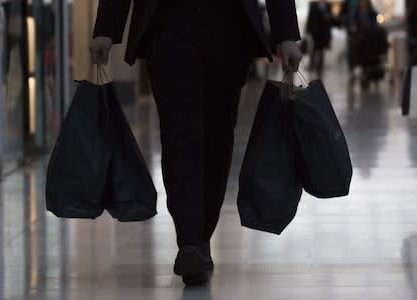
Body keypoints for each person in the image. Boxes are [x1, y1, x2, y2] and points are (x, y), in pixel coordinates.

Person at [89, 0, 302, 285]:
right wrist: (106, 27)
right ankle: (189, 241)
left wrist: (286, 34)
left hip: (229, 28)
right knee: (179, 133)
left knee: (218, 136)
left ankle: (201, 235)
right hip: (167, 26)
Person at [305, 0, 334, 76]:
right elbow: (310, 17)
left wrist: (328, 17)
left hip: (323, 33)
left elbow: (331, 19)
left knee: (321, 50)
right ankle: (312, 65)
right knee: (314, 49)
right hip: (315, 32)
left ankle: (319, 67)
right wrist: (308, 30)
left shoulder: (328, 6)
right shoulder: (313, 5)